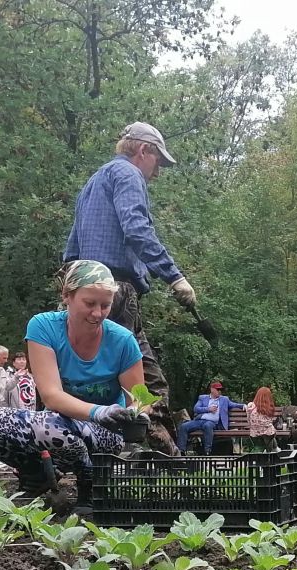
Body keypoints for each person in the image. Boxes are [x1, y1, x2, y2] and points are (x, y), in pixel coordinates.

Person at [0, 260, 146, 515]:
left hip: (103, 434)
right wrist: (98, 410)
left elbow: (139, 399)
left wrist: (135, 415)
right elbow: (51, 396)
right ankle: (35, 472)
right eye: (89, 303)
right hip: (56, 426)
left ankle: (90, 480)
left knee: (53, 426)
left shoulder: (123, 341)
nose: (98, 313)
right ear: (67, 297)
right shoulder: (43, 327)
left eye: (105, 306)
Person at [63, 121, 197, 456]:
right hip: (117, 291)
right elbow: (137, 228)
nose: (158, 172)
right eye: (159, 162)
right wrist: (174, 277)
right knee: (144, 377)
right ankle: (153, 452)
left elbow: (72, 245)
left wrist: (73, 289)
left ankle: (100, 452)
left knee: (93, 371)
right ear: (144, 150)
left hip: (83, 290)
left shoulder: (94, 182)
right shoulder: (128, 175)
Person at [177, 381, 246, 455]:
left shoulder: (224, 399)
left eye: (221, 390)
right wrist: (208, 409)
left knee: (207, 426)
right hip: (200, 420)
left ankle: (207, 451)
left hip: (212, 422)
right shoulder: (203, 398)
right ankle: (181, 451)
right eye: (218, 389)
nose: (220, 391)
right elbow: (196, 408)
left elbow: (234, 405)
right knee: (183, 427)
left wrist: (243, 406)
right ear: (212, 389)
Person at [246, 387, 279, 451]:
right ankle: (273, 451)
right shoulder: (268, 407)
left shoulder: (250, 405)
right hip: (268, 433)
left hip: (254, 433)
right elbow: (269, 421)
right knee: (271, 435)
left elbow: (248, 419)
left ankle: (275, 449)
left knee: (260, 445)